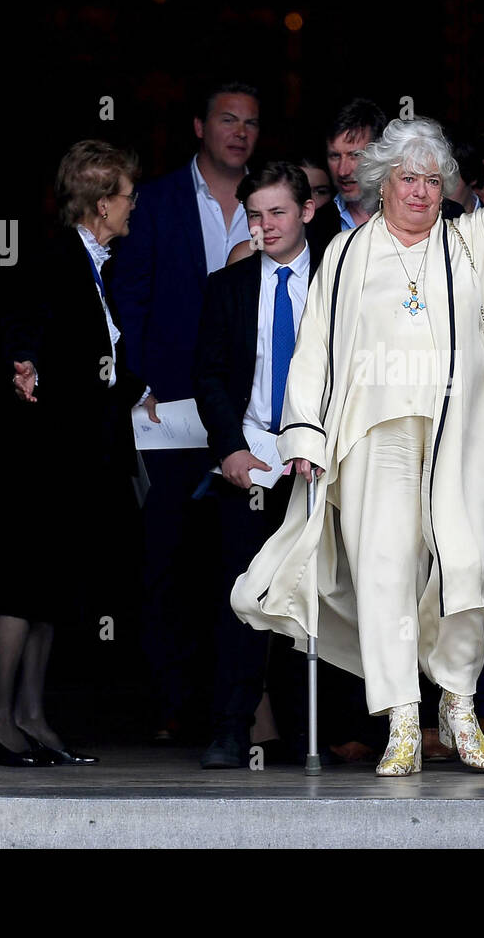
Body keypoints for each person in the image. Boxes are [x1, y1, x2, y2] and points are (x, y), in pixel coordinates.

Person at [230, 60, 484, 776]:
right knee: (383, 574)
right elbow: (314, 348)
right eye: (406, 179)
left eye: (431, 179)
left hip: (459, 435)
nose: (418, 191)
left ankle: (459, 701)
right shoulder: (347, 254)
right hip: (375, 439)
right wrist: (306, 437)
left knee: (467, 567)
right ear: (383, 182)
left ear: (446, 186)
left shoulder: (472, 240)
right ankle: (403, 720)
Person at [0, 139, 158, 766]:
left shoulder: (98, 265)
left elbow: (99, 361)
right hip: (42, 459)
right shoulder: (56, 257)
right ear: (102, 203)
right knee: (24, 586)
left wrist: (141, 388)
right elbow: (23, 322)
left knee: (53, 594)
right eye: (128, 196)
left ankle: (32, 713)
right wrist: (22, 364)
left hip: (78, 459)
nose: (134, 205)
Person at [106, 81, 261, 742]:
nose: (240, 132)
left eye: (252, 122)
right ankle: (174, 704)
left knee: (241, 560)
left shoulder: (270, 202)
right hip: (167, 407)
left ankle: (239, 709)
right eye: (227, 119)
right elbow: (126, 296)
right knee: (167, 560)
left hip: (249, 410)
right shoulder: (159, 201)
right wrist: (134, 380)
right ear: (200, 125)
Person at [193, 162, 318, 767]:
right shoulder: (229, 286)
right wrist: (230, 449)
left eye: (277, 213)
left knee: (320, 595)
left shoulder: (338, 282)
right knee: (243, 595)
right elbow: (210, 375)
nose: (264, 226)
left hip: (322, 457)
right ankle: (229, 728)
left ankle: (310, 732)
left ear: (307, 213)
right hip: (252, 454)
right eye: (254, 215)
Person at [306, 98, 387, 249]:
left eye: (355, 155)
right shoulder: (312, 229)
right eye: (335, 156)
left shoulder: (410, 210)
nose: (343, 171)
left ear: (380, 154)